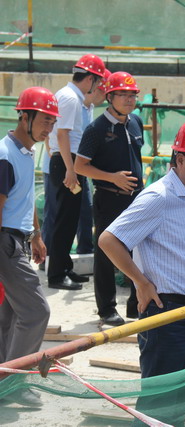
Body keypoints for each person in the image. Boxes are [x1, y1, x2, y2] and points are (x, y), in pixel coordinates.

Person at [98, 118, 185, 425]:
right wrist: (141, 282)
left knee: (182, 400)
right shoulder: (160, 197)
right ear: (180, 160)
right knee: (158, 405)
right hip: (168, 314)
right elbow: (109, 240)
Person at [0, 87, 57, 407]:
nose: (50, 128)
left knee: (11, 317)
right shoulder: (5, 155)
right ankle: (14, 383)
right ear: (25, 117)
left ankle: (3, 378)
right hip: (5, 242)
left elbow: (24, 197)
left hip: (17, 240)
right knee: (36, 312)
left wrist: (35, 235)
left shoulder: (25, 152)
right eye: (45, 121)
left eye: (53, 122)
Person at [75, 71, 144, 326]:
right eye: (122, 94)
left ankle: (137, 303)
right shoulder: (97, 129)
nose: (129, 99)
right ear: (109, 97)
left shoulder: (136, 122)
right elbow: (80, 166)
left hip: (136, 199)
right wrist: (112, 178)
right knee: (105, 254)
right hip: (109, 198)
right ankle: (106, 309)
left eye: (132, 95)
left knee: (140, 250)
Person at [47, 54, 107, 290]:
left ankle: (64, 267)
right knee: (65, 220)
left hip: (67, 161)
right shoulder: (71, 98)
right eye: (98, 81)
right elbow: (62, 135)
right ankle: (56, 275)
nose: (98, 87)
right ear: (90, 79)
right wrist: (70, 170)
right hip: (67, 162)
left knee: (69, 219)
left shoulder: (70, 96)